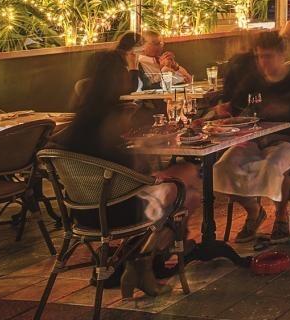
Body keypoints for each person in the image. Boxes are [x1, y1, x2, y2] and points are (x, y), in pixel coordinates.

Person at [52, 51, 198, 298]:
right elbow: (134, 167)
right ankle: (142, 260)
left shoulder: (80, 119)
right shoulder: (113, 119)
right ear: (115, 77)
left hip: (83, 211)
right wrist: (149, 152)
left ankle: (140, 261)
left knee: (181, 184)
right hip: (119, 207)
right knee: (189, 187)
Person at [214, 31, 290, 244]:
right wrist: (224, 109)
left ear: (282, 55)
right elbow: (236, 106)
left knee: (273, 166)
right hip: (254, 139)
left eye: (268, 56)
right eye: (260, 56)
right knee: (222, 167)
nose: (263, 62)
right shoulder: (253, 80)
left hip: (289, 139)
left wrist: (287, 110)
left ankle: (281, 216)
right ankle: (254, 211)